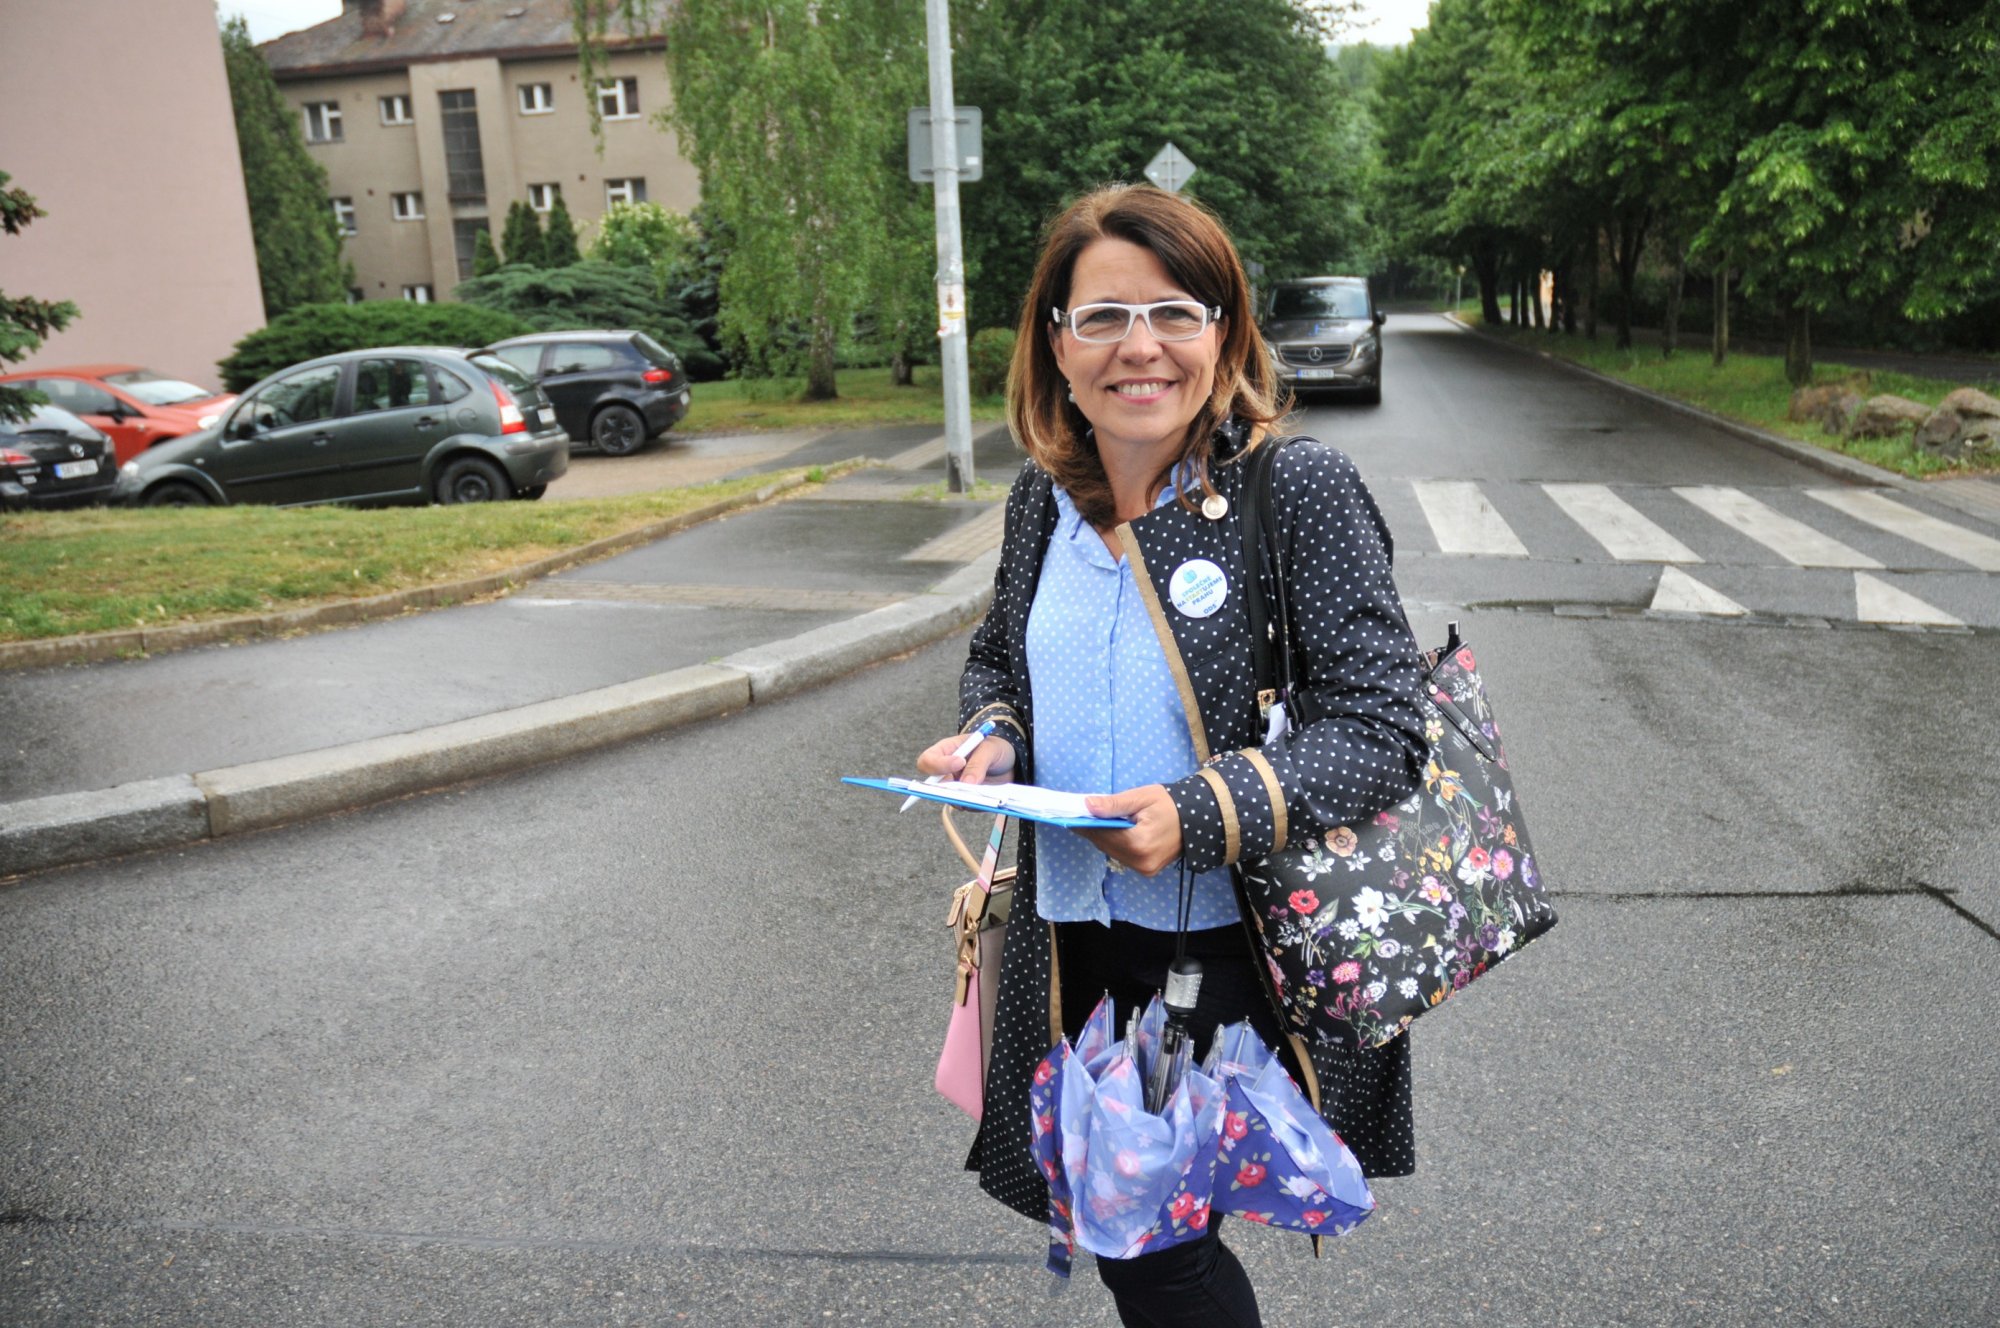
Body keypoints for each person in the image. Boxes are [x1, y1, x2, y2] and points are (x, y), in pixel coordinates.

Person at [914, 184, 1429, 1328]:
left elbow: (1383, 726)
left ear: (1225, 334)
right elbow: (999, 652)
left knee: (1148, 1244)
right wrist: (992, 733)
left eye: (1173, 314)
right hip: (1073, 942)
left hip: (1226, 951)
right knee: (1137, 1231)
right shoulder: (1040, 502)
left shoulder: (1291, 489)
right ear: (1053, 344)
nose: (1136, 347)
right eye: (1099, 317)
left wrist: (1197, 809)